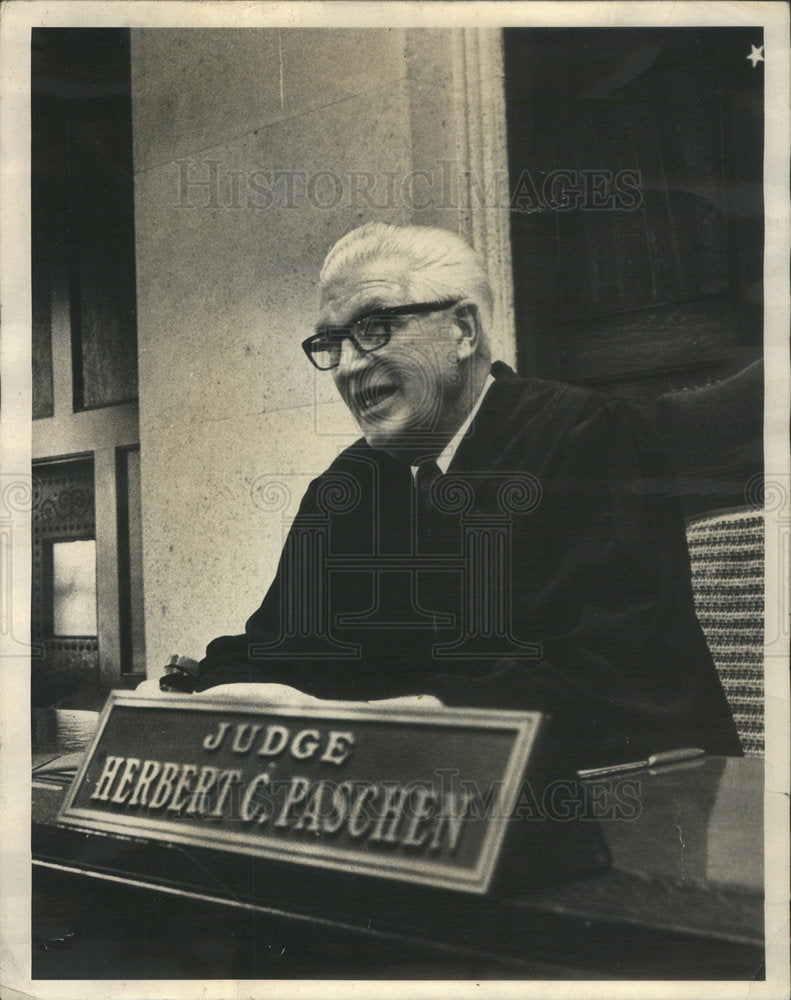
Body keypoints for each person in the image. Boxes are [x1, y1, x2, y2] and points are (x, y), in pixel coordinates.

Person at [175, 222, 741, 768]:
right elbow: (277, 646)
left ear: (462, 331)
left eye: (373, 329)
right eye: (332, 342)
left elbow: (615, 679)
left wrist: (395, 722)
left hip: (622, 808)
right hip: (409, 807)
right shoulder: (348, 486)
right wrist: (211, 690)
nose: (347, 367)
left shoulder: (587, 437)